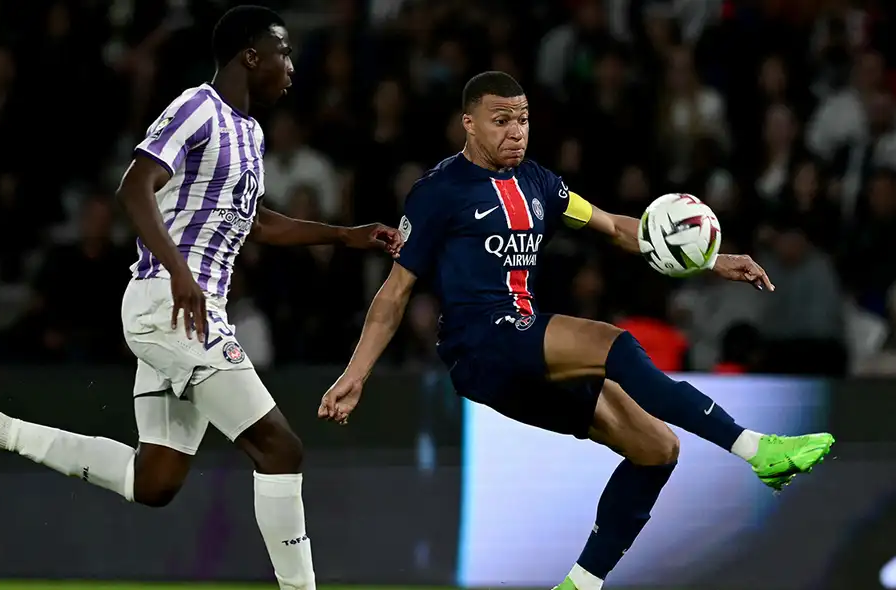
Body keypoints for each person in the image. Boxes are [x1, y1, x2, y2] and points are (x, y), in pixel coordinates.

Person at [0, 7, 403, 590]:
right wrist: (179, 271)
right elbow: (134, 185)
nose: (292, 68)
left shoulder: (250, 133)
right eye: (284, 52)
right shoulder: (196, 106)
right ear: (252, 55)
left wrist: (342, 236)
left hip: (189, 312)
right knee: (280, 448)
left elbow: (255, 222)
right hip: (170, 307)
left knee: (156, 482)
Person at [318, 71, 834, 590]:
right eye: (501, 121)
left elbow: (612, 226)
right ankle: (757, 450)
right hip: (482, 347)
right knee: (614, 343)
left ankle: (581, 584)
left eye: (522, 120)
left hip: (520, 357)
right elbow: (395, 292)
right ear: (468, 125)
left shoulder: (540, 183)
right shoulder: (437, 193)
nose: (516, 132)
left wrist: (712, 260)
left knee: (657, 450)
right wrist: (357, 373)